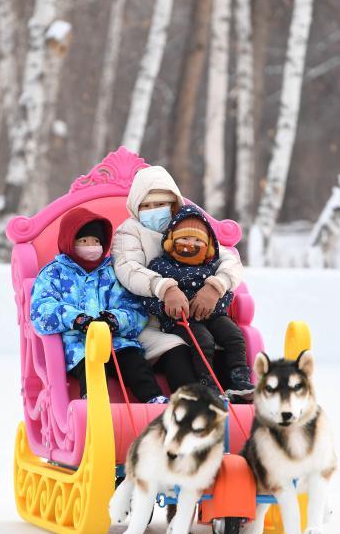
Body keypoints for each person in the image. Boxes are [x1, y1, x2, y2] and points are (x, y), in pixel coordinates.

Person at [111, 165, 246, 392]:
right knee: (182, 348)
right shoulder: (129, 231)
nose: (153, 211)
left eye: (160, 204)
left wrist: (216, 286)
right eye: (146, 206)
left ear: (173, 204)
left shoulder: (189, 226)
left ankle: (236, 392)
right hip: (152, 318)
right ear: (136, 207)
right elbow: (128, 268)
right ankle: (195, 403)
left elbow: (228, 260)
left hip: (198, 312)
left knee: (225, 338)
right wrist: (164, 288)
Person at [30, 207, 168, 404]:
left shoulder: (111, 273)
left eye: (96, 241)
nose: (91, 246)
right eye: (84, 241)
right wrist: (76, 319)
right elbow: (42, 309)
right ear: (70, 242)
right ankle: (94, 403)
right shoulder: (54, 273)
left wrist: (114, 319)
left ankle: (154, 400)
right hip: (79, 345)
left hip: (117, 341)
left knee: (134, 362)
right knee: (91, 366)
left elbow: (134, 308)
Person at [143, 205, 254, 399]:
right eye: (184, 238)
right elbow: (149, 296)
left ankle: (239, 378)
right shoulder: (161, 265)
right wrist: (166, 308)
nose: (190, 244)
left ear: (207, 246)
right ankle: (207, 382)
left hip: (213, 315)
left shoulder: (211, 266)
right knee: (203, 340)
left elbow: (226, 294)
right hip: (180, 320)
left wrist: (212, 304)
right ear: (171, 242)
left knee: (233, 335)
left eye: (197, 240)